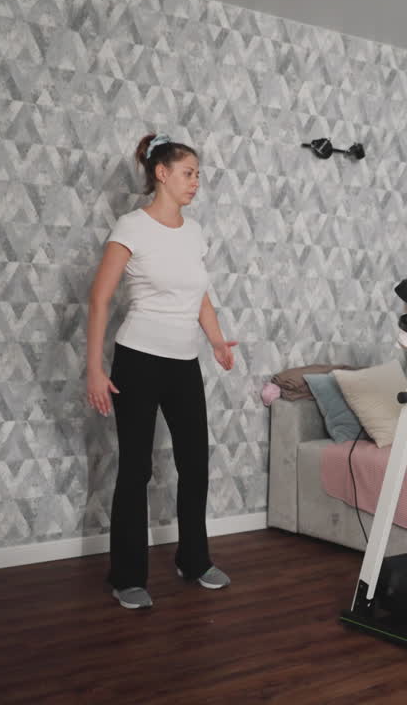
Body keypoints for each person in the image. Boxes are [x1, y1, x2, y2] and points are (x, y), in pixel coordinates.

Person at [85, 133, 238, 610]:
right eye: (189, 173)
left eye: (197, 174)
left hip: (184, 362)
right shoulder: (131, 226)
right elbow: (100, 298)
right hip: (138, 360)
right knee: (136, 469)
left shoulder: (194, 232)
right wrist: (94, 368)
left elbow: (200, 295)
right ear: (162, 173)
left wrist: (215, 340)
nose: (196, 183)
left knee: (195, 464)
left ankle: (194, 560)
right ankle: (126, 576)